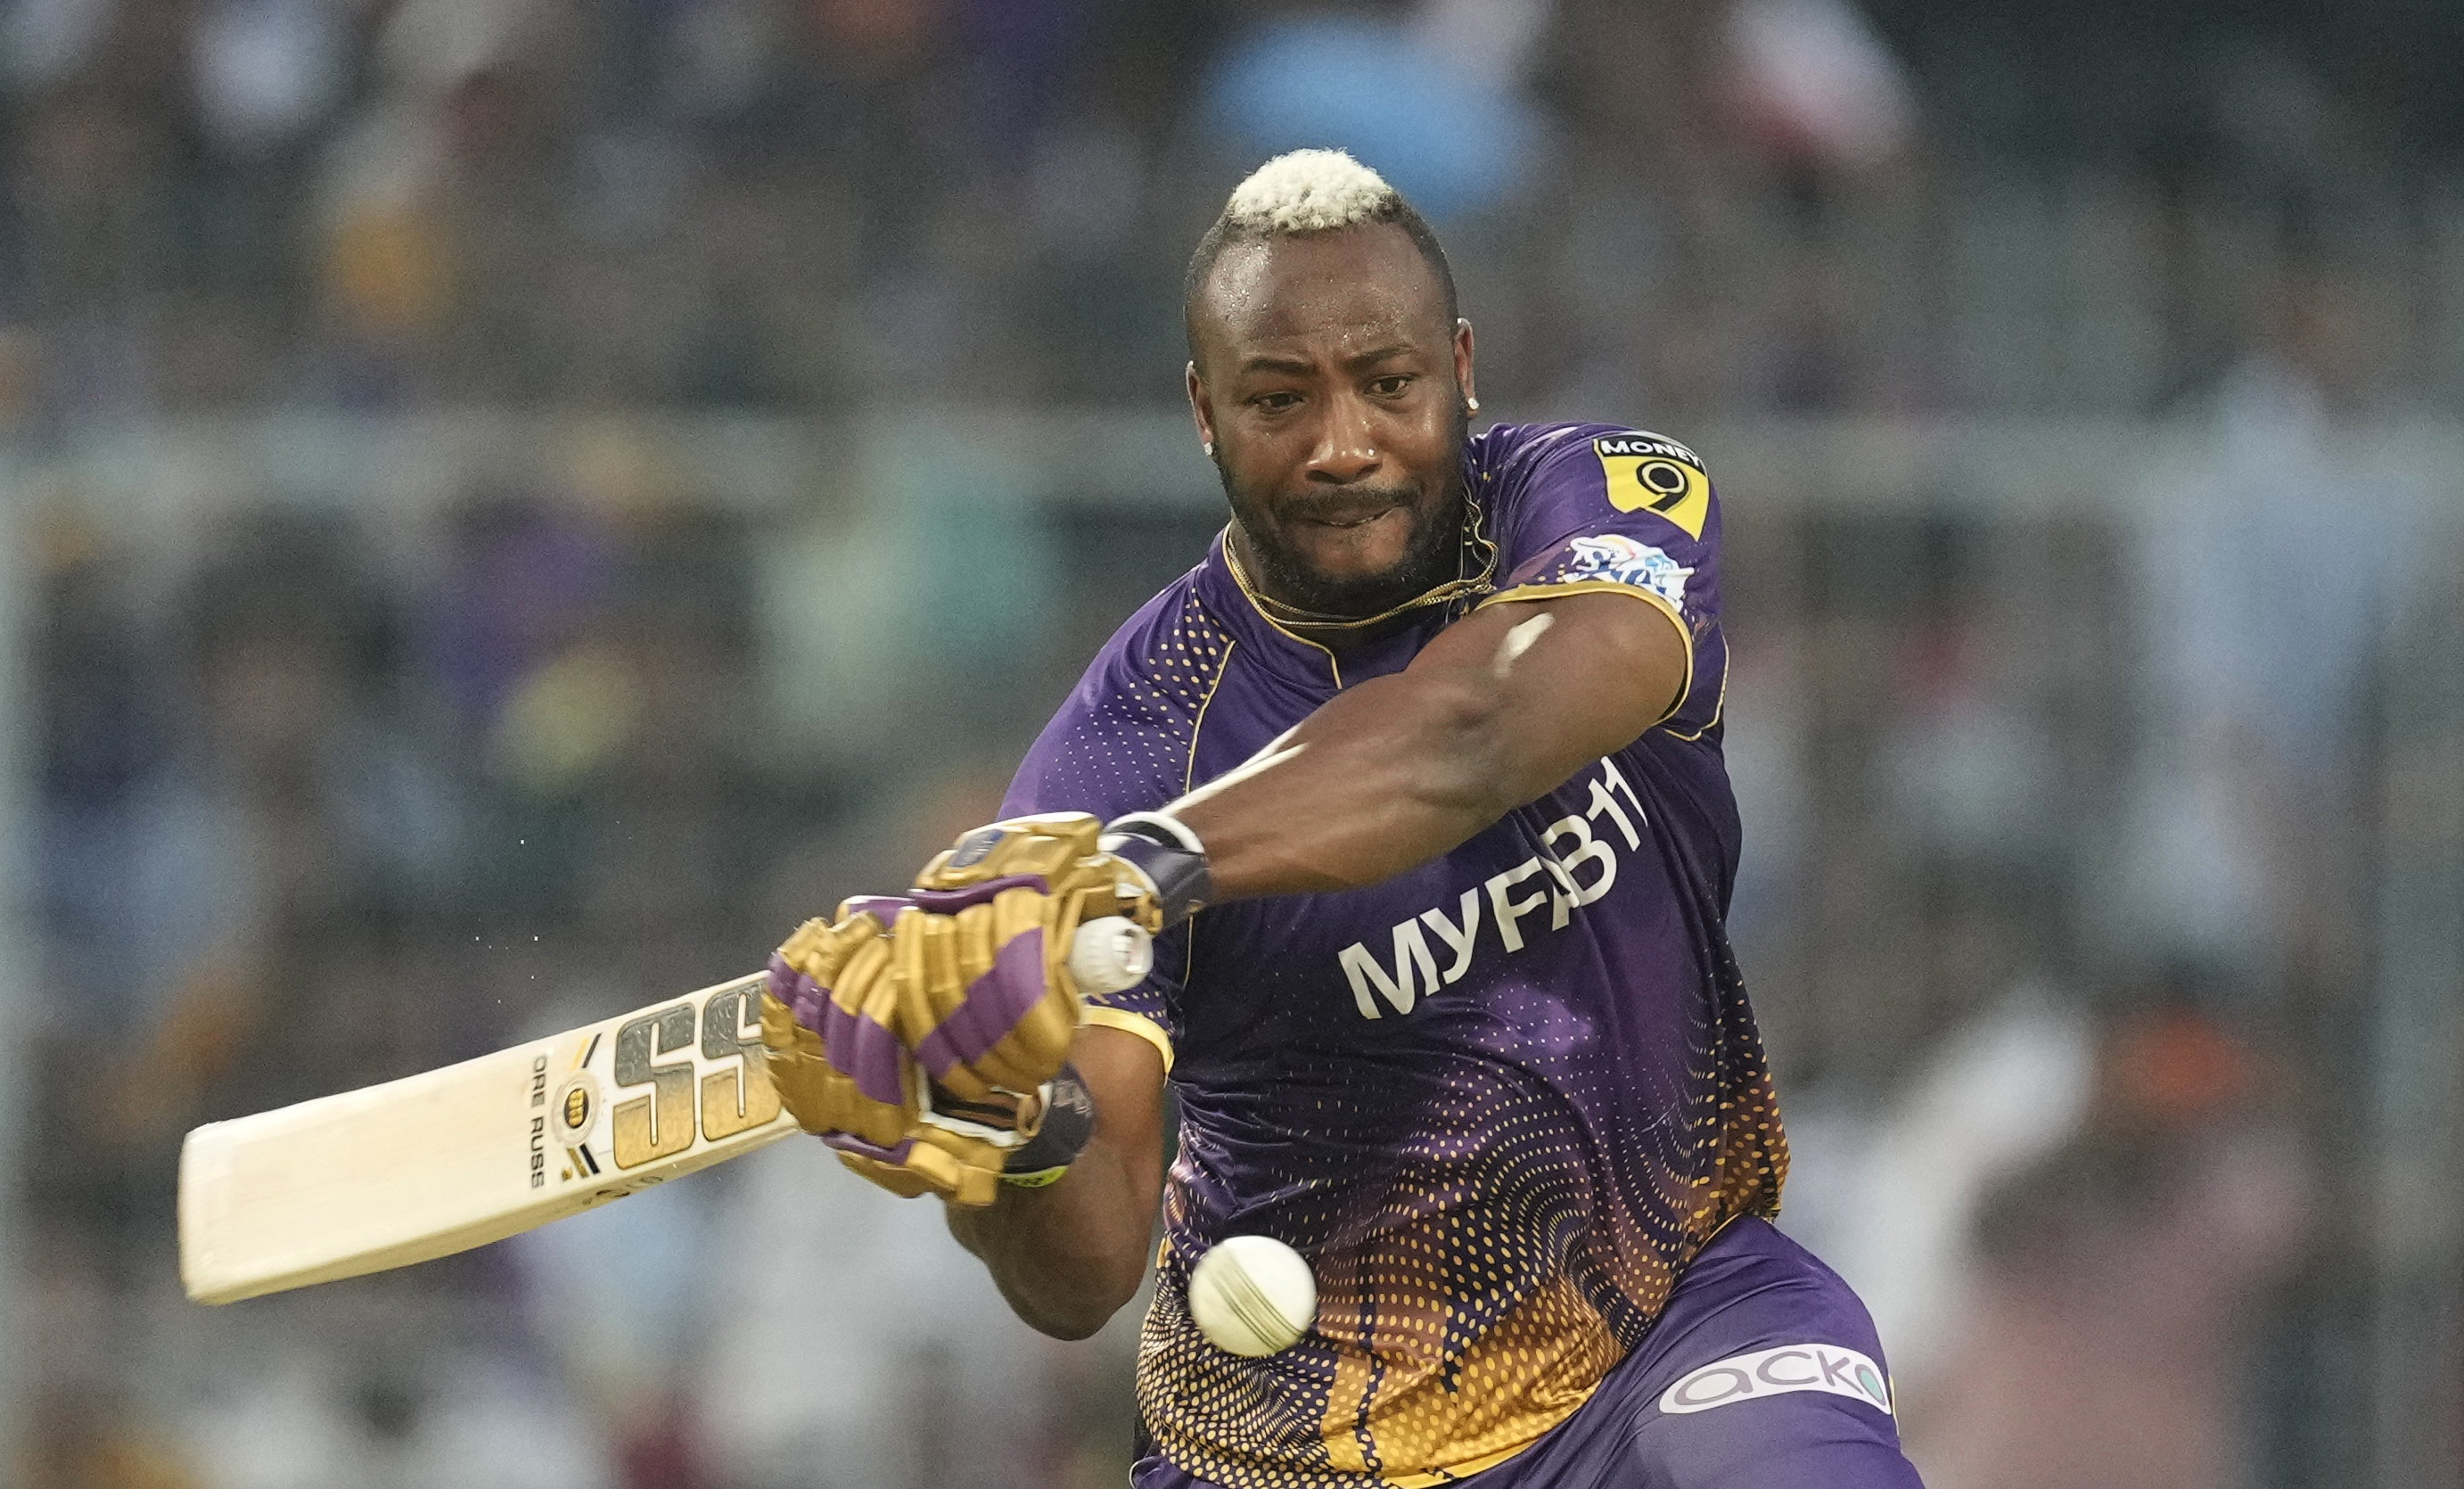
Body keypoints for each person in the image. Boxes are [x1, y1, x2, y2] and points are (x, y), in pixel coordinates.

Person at [760, 150, 1924, 1489]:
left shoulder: (1595, 496)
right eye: (1277, 398)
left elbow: (1474, 731)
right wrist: (1003, 1121)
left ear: (1461, 367)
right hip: (1296, 1447)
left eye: (1388, 383)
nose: (1343, 444)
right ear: (1203, 410)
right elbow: (1081, 1274)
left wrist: (1147, 869)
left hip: (1676, 1316)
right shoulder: (1117, 753)